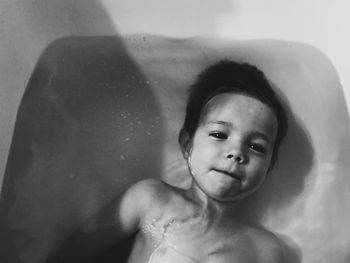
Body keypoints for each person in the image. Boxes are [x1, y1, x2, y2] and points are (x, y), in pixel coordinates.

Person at [51, 60, 289, 263]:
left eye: (256, 146)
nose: (236, 152)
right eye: (219, 134)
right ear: (187, 144)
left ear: (270, 166)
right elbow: (69, 255)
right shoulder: (152, 200)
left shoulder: (265, 250)